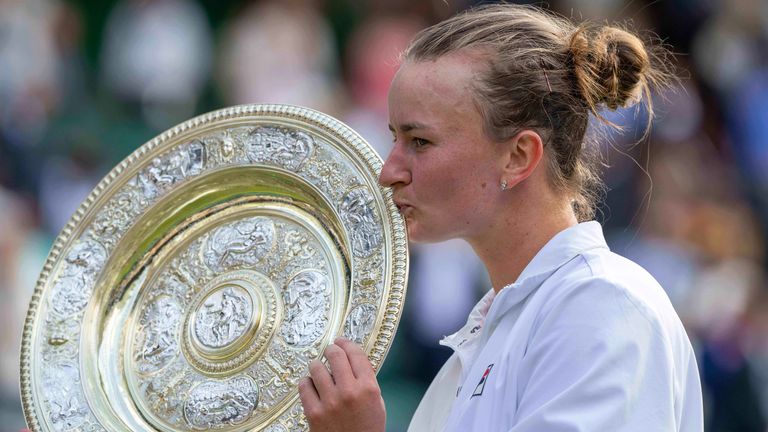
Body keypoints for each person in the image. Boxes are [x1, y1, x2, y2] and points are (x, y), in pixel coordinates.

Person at [298, 4, 704, 431]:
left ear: (518, 156)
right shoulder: (502, 324)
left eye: (419, 141)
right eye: (394, 139)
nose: (389, 171)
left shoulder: (602, 305)